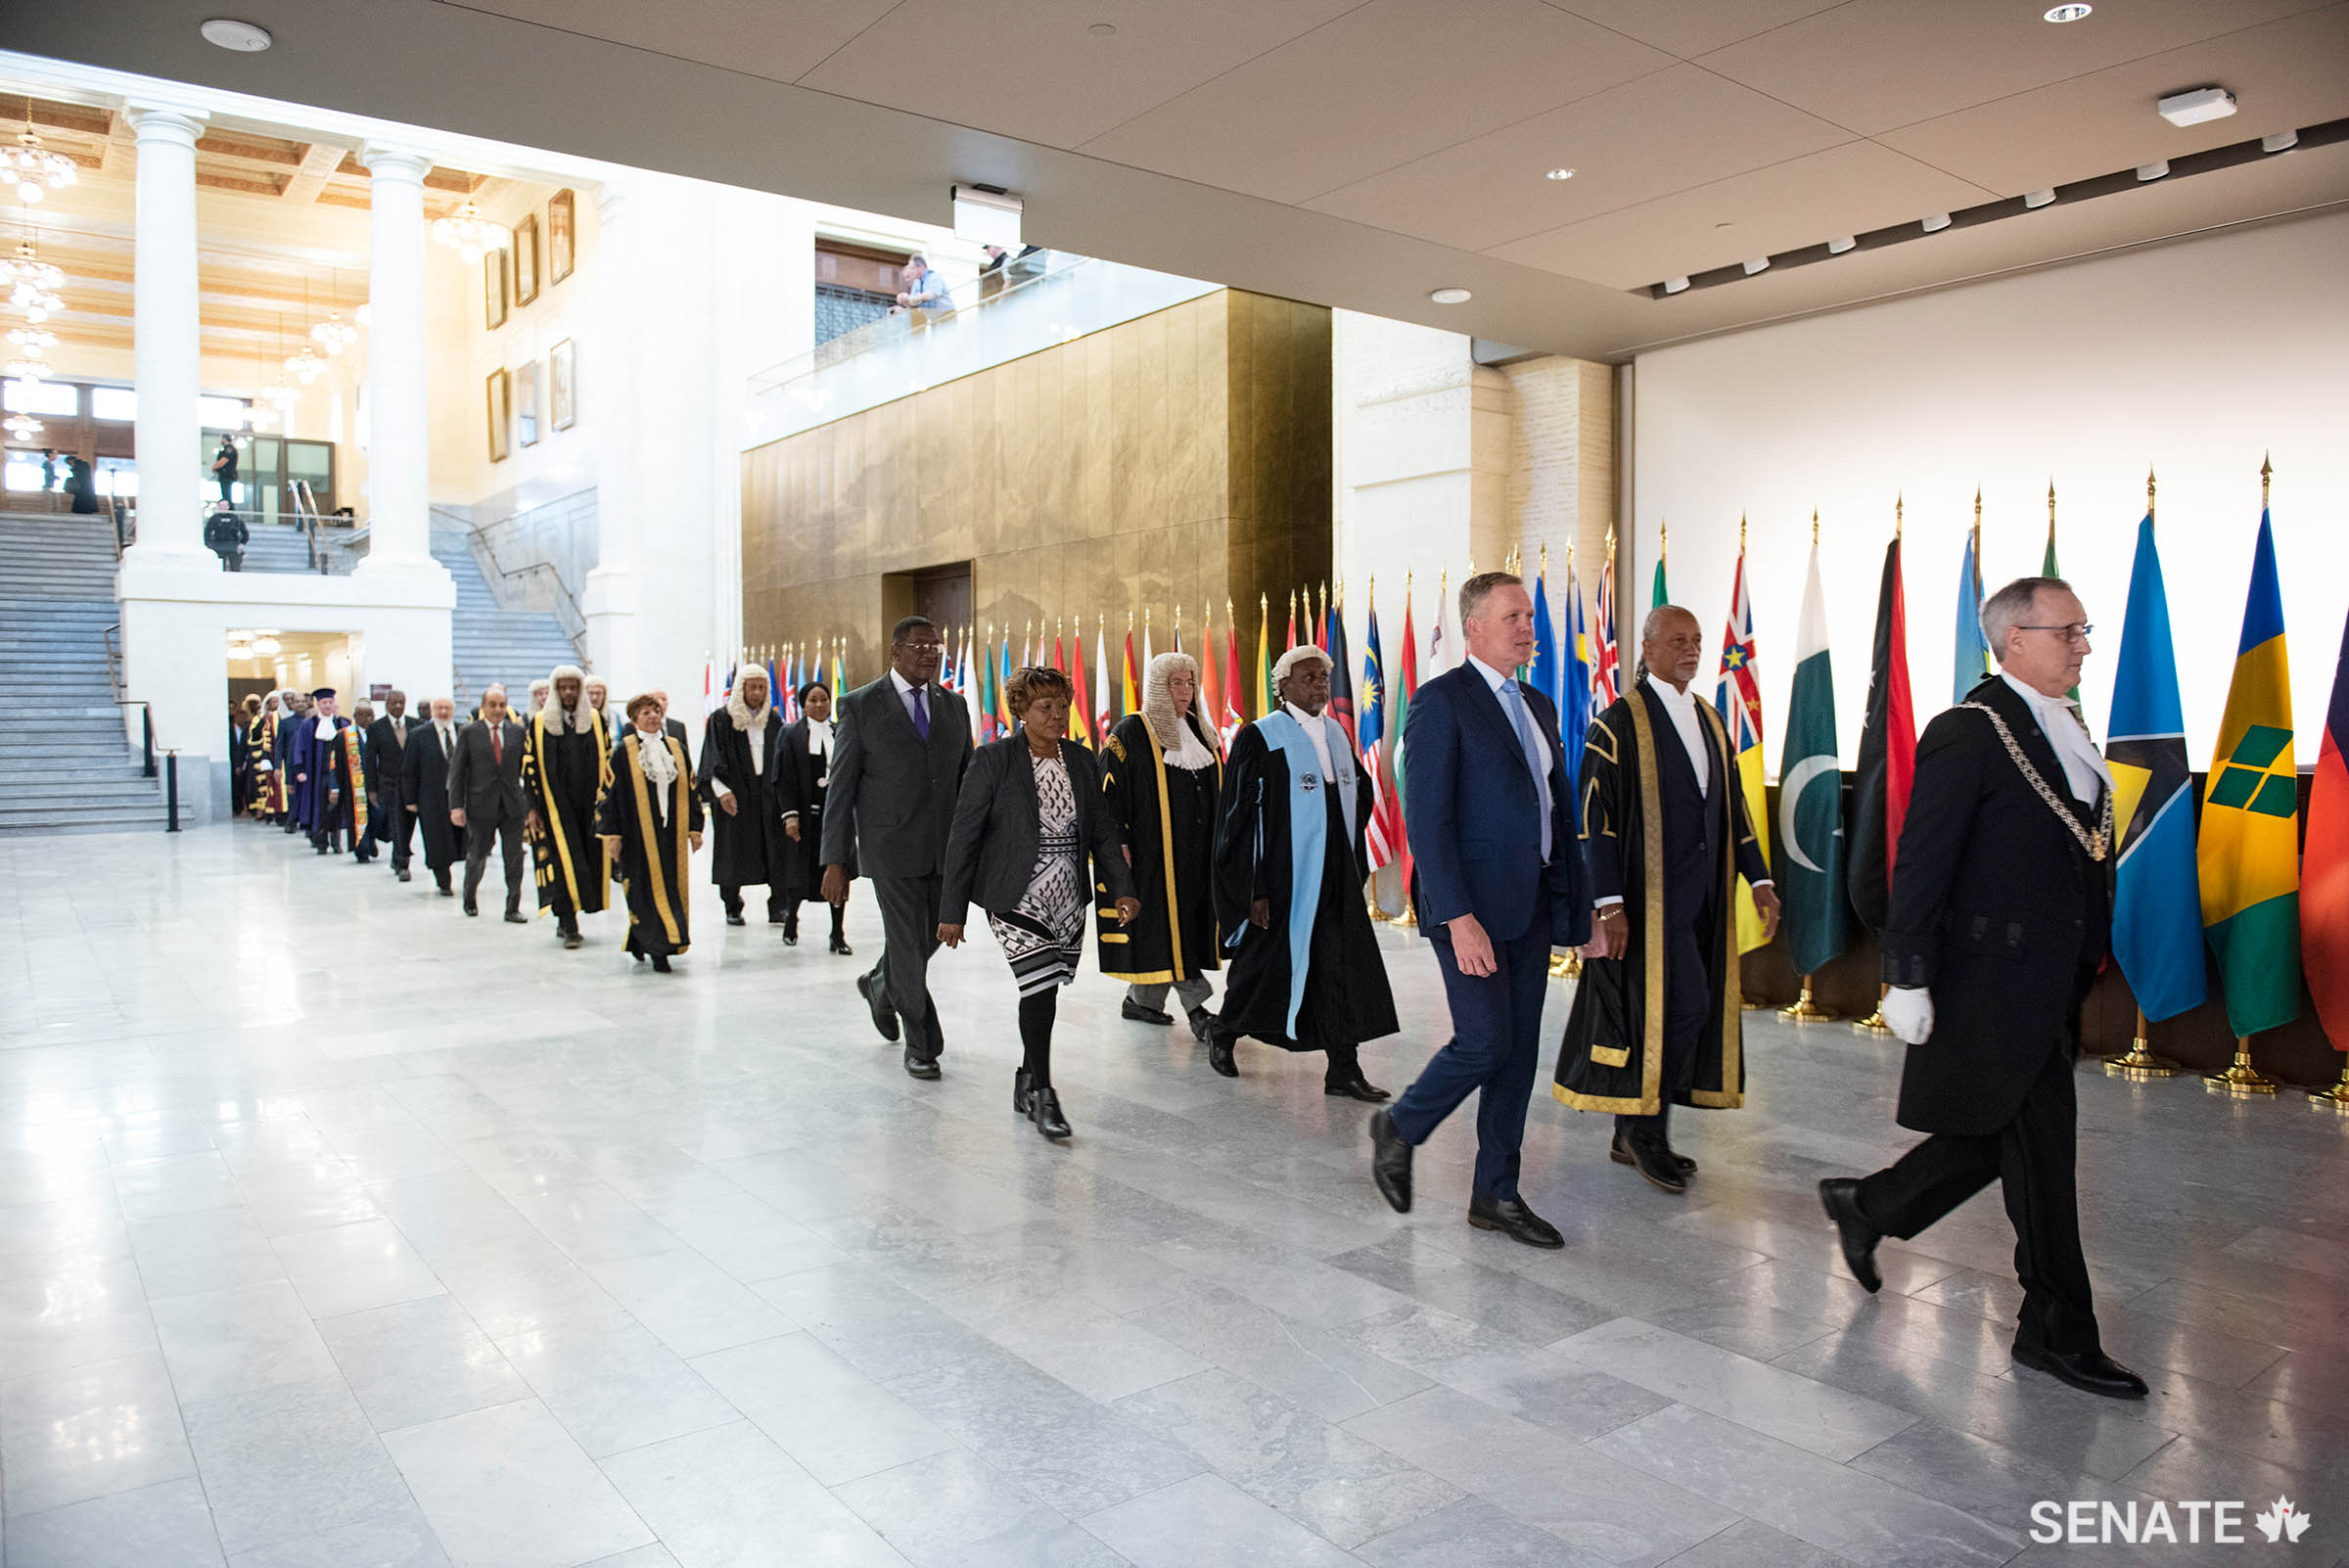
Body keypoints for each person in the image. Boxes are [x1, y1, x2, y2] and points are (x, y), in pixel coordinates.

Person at [1819, 576, 2144, 1400]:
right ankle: (2057, 1332)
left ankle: (1871, 1206)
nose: (2083, 645)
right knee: (2044, 1155)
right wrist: (1907, 974)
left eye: (2083, 630)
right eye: (2067, 632)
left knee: (1993, 1136)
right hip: (1991, 979)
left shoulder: (2067, 730)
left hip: (2049, 977)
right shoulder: (1969, 731)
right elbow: (1921, 862)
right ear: (2014, 641)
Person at [1366, 573, 1596, 1245]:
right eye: (1513, 617)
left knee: (1519, 1053)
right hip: (1468, 909)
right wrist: (1459, 916)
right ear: (1474, 628)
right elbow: (1427, 820)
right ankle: (1400, 1125)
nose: (1528, 627)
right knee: (1484, 1041)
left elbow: (1554, 810)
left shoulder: (1539, 705)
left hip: (1530, 907)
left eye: (1528, 616)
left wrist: (1576, 916)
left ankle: (1496, 1194)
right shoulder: (1442, 702)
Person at [1555, 605, 1781, 1194]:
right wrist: (1608, 904)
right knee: (1678, 1010)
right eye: (1677, 639)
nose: (1691, 648)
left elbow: (1733, 805)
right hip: (1647, 903)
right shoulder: (1617, 723)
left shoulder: (1709, 716)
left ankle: (1635, 1128)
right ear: (1648, 649)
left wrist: (1759, 879)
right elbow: (1593, 822)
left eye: (1697, 640)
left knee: (1686, 1010)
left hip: (1706, 898)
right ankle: (1642, 1130)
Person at [941, 666, 1139, 1138]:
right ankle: (1044, 1095)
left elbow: (1102, 830)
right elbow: (963, 835)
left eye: (1062, 705)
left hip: (1068, 892)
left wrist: (1123, 887)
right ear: (1020, 712)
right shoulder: (994, 760)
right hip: (1015, 892)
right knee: (1039, 986)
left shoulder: (1082, 758)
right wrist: (951, 912)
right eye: (1044, 707)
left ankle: (1025, 1077)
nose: (1057, 715)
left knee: (1049, 985)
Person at [1208, 644, 1395, 1098]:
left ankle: (1343, 1069)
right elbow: (1238, 817)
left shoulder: (1335, 734)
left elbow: (1361, 792)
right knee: (1264, 965)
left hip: (1335, 874)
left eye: (1323, 678)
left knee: (1339, 966)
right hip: (1281, 878)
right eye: (1309, 677)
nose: (1319, 685)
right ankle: (1224, 1030)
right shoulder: (1261, 736)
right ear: (1283, 685)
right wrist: (1254, 887)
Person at [822, 615, 972, 1080]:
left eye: (936, 646)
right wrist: (834, 860)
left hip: (943, 849)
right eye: (920, 646)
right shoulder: (859, 706)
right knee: (908, 942)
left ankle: (879, 984)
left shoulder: (954, 706)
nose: (930, 653)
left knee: (925, 940)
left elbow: (967, 781)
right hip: (889, 849)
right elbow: (840, 789)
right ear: (896, 652)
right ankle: (923, 1044)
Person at [1100, 651, 1222, 1041]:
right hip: (1153, 855)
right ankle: (1198, 1008)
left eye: (1189, 682)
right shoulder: (1130, 732)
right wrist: (1117, 843)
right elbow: (1107, 794)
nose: (1185, 691)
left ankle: (1142, 1001)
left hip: (1200, 854)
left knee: (1181, 927)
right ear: (1157, 686)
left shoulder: (1201, 729)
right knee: (1166, 928)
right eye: (1176, 683)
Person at [598, 692, 705, 972]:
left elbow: (691, 789)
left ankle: (643, 940)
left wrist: (695, 828)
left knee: (668, 887)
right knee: (642, 889)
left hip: (670, 832)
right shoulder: (624, 750)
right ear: (634, 719)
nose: (653, 716)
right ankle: (659, 949)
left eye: (656, 711)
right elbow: (610, 794)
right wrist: (613, 836)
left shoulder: (676, 747)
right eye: (646, 712)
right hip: (636, 834)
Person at [521, 664, 610, 948]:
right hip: (554, 808)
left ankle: (572, 916)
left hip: (588, 808)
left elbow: (607, 763)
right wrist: (532, 809)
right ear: (556, 691)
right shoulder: (538, 724)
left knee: (585, 860)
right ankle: (568, 923)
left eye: (573, 687)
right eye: (564, 688)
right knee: (561, 864)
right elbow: (529, 769)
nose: (569, 692)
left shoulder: (595, 721)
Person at [700, 669, 790, 926]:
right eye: (752, 688)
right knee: (732, 849)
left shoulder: (773, 721)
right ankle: (732, 906)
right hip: (734, 795)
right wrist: (722, 792)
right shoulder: (721, 719)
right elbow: (711, 759)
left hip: (768, 796)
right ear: (741, 689)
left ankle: (779, 906)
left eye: (762, 688)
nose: (757, 693)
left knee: (775, 848)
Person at [776, 679, 850, 953]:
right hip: (805, 819)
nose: (819, 705)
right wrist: (790, 816)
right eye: (812, 700)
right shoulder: (790, 734)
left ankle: (837, 933)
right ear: (803, 705)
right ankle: (791, 923)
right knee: (799, 875)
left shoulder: (841, 730)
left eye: (823, 700)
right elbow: (782, 778)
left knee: (838, 874)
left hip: (836, 818)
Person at [447, 684, 530, 922]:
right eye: (492, 705)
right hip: (480, 804)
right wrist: (456, 806)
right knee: (478, 855)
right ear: (483, 707)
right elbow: (457, 772)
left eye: (501, 705)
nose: (497, 709)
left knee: (514, 857)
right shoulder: (469, 732)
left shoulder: (517, 732)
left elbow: (525, 768)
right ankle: (470, 896)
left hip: (512, 805)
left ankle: (513, 906)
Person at [402, 697, 465, 896]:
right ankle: (443, 881)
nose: (443, 712)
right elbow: (409, 770)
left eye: (447, 708)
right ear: (432, 711)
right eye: (439, 709)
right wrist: (410, 799)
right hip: (430, 796)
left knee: (461, 838)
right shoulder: (419, 735)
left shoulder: (463, 731)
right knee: (436, 839)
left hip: (460, 797)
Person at [302, 690, 369, 859]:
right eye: (324, 702)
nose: (327, 705)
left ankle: (337, 841)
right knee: (320, 809)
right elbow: (301, 749)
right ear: (318, 704)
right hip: (318, 774)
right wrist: (300, 770)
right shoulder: (309, 724)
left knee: (338, 808)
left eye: (330, 702)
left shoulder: (344, 723)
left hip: (340, 774)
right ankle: (321, 841)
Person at [365, 690, 423, 881]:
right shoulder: (376, 728)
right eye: (393, 703)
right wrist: (371, 789)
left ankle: (397, 855)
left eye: (401, 702)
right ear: (386, 704)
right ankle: (403, 862)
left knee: (409, 824)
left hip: (413, 786)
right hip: (389, 785)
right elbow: (370, 760)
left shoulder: (417, 726)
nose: (397, 706)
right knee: (396, 823)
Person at [276, 691, 311, 833]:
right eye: (297, 701)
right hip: (291, 764)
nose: (300, 704)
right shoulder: (285, 723)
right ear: (292, 704)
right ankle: (292, 820)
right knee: (292, 792)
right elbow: (279, 746)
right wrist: (277, 767)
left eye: (303, 701)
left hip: (308, 763)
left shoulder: (312, 722)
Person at [204, 502, 247, 572]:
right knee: (219, 569)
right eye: (221, 505)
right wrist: (209, 544)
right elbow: (207, 533)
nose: (223, 507)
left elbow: (245, 533)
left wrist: (242, 544)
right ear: (218, 506)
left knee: (235, 569)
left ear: (228, 506)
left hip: (233, 545)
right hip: (218, 545)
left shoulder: (235, 518)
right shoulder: (214, 519)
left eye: (225, 505)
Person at [210, 435, 238, 503]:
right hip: (224, 475)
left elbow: (224, 460)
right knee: (225, 494)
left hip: (227, 475)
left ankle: (228, 509)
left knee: (226, 495)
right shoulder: (226, 449)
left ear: (224, 439)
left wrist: (214, 467)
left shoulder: (229, 449)